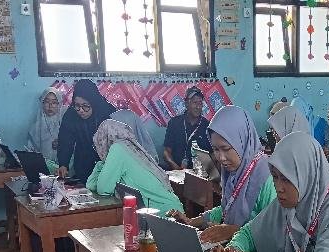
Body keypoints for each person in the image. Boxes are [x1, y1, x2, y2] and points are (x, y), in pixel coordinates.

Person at [168, 105, 276, 243]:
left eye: (226, 149)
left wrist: (232, 230)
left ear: (242, 141)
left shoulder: (269, 176)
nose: (221, 158)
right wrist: (192, 222)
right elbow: (228, 207)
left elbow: (273, 231)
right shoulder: (235, 171)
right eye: (216, 149)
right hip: (234, 248)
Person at [87, 120, 184, 215]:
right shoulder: (128, 148)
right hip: (165, 209)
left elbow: (103, 190)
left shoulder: (118, 149)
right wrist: (102, 163)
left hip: (165, 213)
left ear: (104, 139)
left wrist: (102, 163)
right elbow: (91, 185)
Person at [57, 79, 116, 182]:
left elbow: (116, 145)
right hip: (83, 161)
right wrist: (63, 164)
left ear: (93, 102)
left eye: (85, 106)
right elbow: (65, 141)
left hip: (107, 163)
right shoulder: (71, 114)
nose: (80, 110)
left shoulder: (107, 113)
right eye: (77, 105)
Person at [163, 86, 212, 170]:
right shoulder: (174, 123)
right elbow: (166, 152)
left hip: (198, 174)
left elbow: (212, 156)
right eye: (195, 102)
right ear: (186, 104)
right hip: (174, 170)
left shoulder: (207, 127)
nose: (198, 107)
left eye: (200, 103)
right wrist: (175, 167)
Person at [26, 87, 64, 171]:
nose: (50, 106)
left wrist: (62, 142)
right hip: (42, 169)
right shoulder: (35, 128)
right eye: (47, 102)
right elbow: (31, 151)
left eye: (54, 102)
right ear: (42, 103)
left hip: (63, 169)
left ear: (59, 104)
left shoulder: (65, 124)